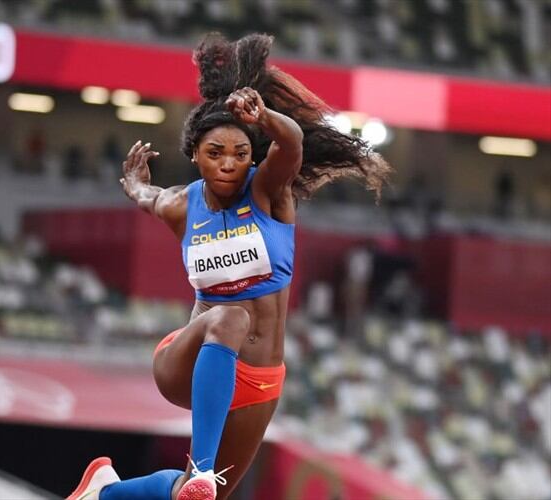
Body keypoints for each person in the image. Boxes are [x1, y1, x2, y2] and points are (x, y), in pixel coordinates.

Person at [67, 32, 391, 500]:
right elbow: (150, 198)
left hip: (260, 378)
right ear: (195, 155)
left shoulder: (268, 193)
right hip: (191, 360)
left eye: (241, 154)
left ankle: (105, 492)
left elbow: (293, 144)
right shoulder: (183, 204)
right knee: (230, 315)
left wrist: (265, 117)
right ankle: (200, 465)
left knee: (199, 499)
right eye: (215, 154)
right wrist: (136, 185)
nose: (229, 165)